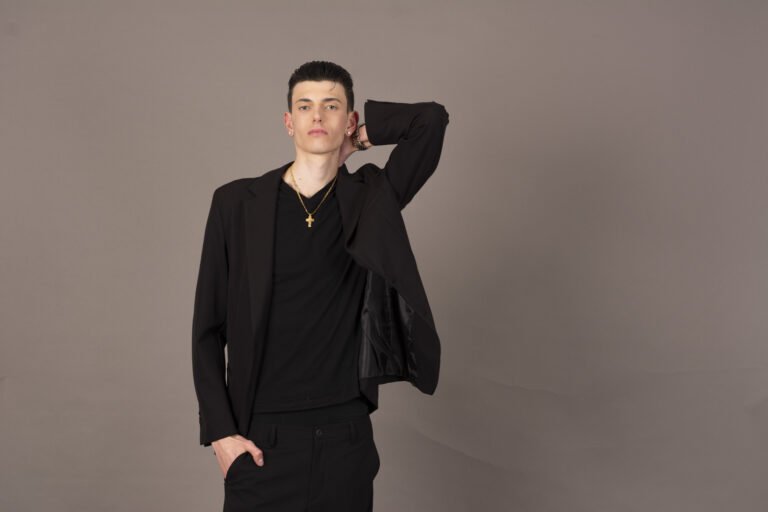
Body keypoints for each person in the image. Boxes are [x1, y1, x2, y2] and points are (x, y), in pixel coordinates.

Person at [191, 60, 449, 511]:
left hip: (345, 440)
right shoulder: (235, 204)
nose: (317, 115)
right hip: (261, 442)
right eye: (304, 105)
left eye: (331, 106)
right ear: (288, 121)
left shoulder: (371, 199)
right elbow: (207, 330)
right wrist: (221, 435)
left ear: (349, 119)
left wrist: (359, 141)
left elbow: (430, 120)